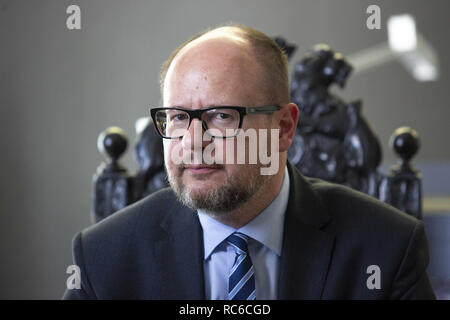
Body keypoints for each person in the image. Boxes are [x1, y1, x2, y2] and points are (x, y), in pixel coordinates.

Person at [63, 24, 435, 300]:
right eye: (177, 117)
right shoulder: (103, 258)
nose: (193, 143)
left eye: (221, 116)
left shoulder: (387, 249)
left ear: (285, 127)